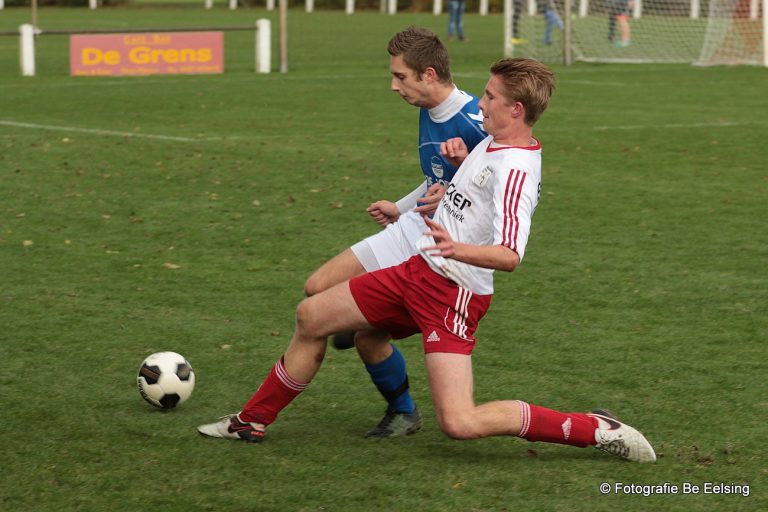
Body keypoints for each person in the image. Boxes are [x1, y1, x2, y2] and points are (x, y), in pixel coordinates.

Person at [198, 58, 657, 464]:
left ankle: (594, 428)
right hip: (417, 271)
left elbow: (510, 254)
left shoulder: (516, 169)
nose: (482, 102)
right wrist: (445, 192)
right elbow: (467, 201)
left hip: (453, 294)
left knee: (459, 423)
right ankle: (251, 421)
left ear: (516, 109)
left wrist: (458, 248)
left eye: (492, 97)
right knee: (311, 314)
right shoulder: (491, 141)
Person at [303, 26, 487, 437]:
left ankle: (403, 413)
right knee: (317, 288)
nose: (393, 86)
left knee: (367, 338)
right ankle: (356, 323)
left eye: (400, 76)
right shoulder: (428, 109)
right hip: (410, 226)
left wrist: (454, 197)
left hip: (441, 250)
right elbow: (436, 178)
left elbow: (499, 193)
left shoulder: (475, 122)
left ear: (429, 75)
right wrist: (400, 206)